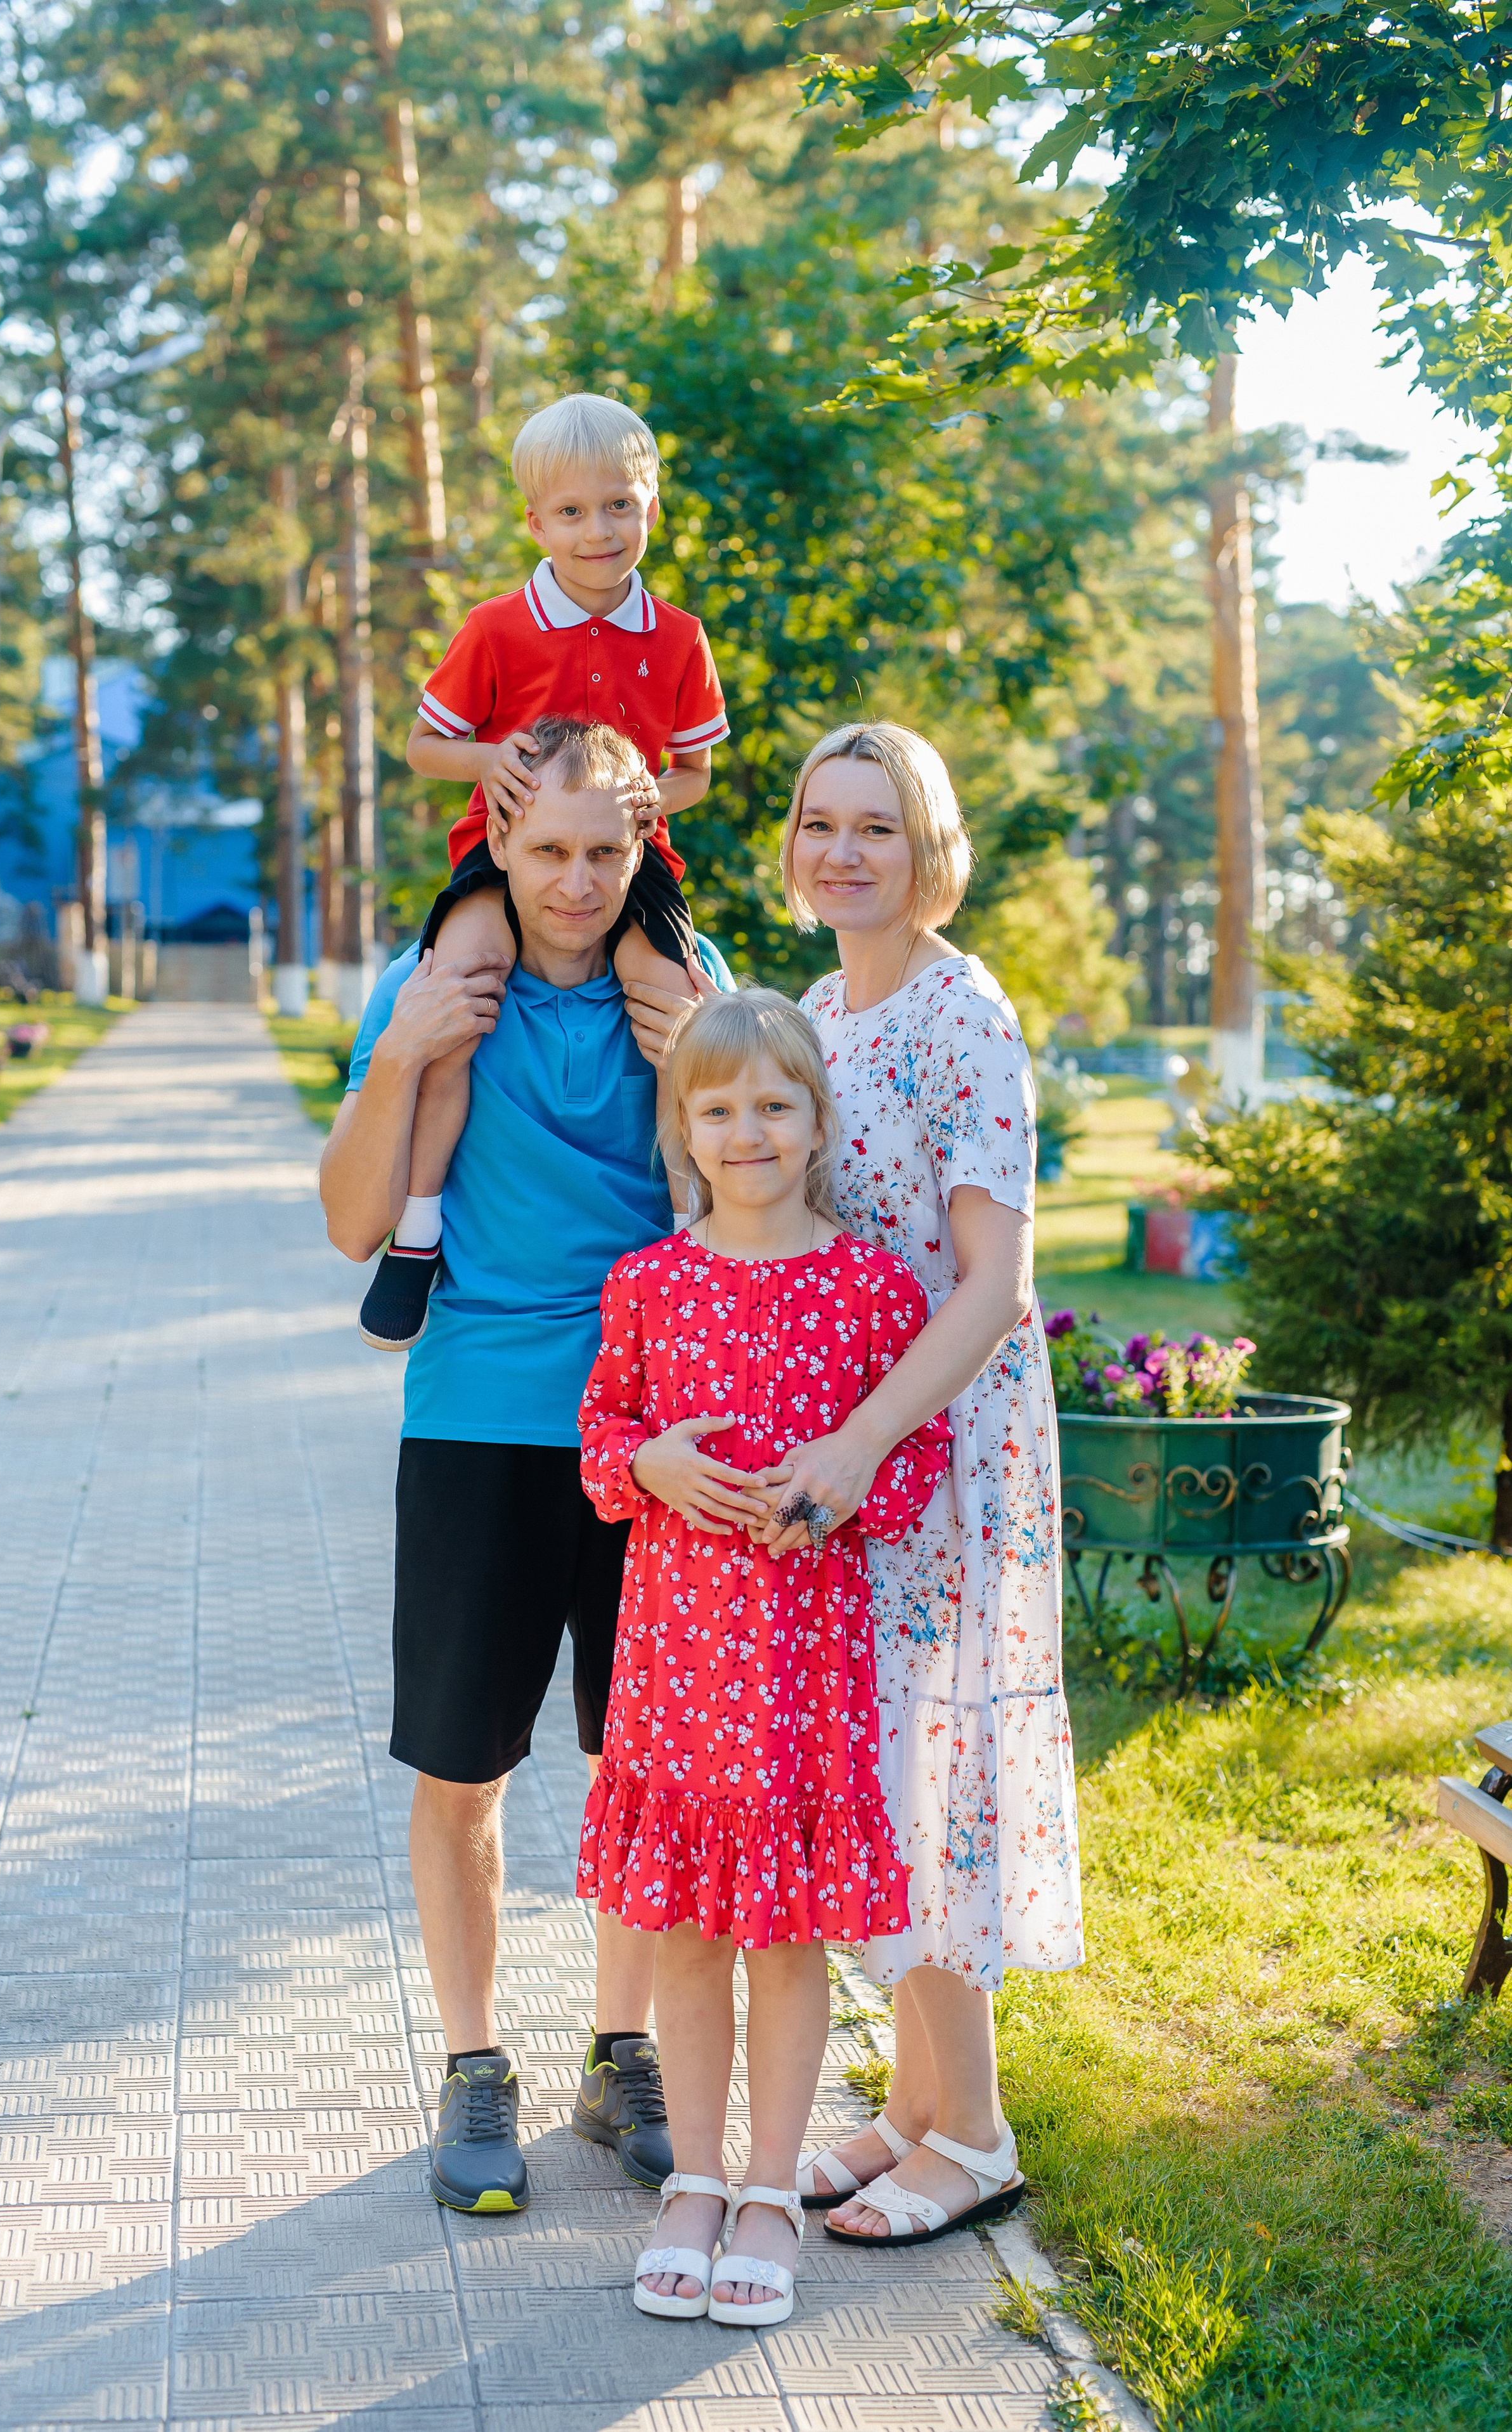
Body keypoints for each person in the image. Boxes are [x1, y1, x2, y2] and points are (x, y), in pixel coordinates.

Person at [318, 716, 726, 2216]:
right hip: (481, 1417)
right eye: (545, 850)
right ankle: (474, 2064)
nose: (573, 881)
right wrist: (406, 1053)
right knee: (463, 1767)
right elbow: (354, 1221)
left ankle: (622, 2051)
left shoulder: (687, 989)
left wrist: (703, 1074)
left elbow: (766, 1187)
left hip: (660, 1438)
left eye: (604, 851)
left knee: (642, 1764)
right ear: (495, 842)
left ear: (642, 847)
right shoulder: (435, 991)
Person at [575, 989, 953, 2325]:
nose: (747, 1131)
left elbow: (908, 1454)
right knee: (681, 1930)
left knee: (784, 1941)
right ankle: (692, 2179)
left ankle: (772, 2191)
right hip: (678, 1665)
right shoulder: (648, 1282)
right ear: (682, 1126)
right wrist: (648, 1460)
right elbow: (602, 1441)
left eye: (773, 1106)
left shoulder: (864, 1286)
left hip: (802, 1669)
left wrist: (844, 1485)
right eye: (718, 1107)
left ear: (814, 1121)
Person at [755, 720, 1085, 2247]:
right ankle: (906, 2108)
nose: (842, 851)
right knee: (870, 1777)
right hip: (842, 1461)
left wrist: (862, 1439)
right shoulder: (816, 1010)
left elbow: (991, 1284)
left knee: (923, 1784)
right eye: (821, 822)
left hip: (941, 1448)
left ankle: (981, 2134)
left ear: (925, 845)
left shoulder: (964, 1012)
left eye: (874, 826)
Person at [359, 391, 730, 1351]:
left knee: (673, 1017)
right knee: (460, 999)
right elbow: (420, 746)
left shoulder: (680, 637)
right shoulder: (498, 628)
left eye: (620, 505)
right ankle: (419, 1230)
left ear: (652, 504)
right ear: (536, 521)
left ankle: (698, 1230)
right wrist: (489, 762)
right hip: (504, 855)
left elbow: (693, 775)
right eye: (572, 511)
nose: (599, 530)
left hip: (626, 865)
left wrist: (653, 801)